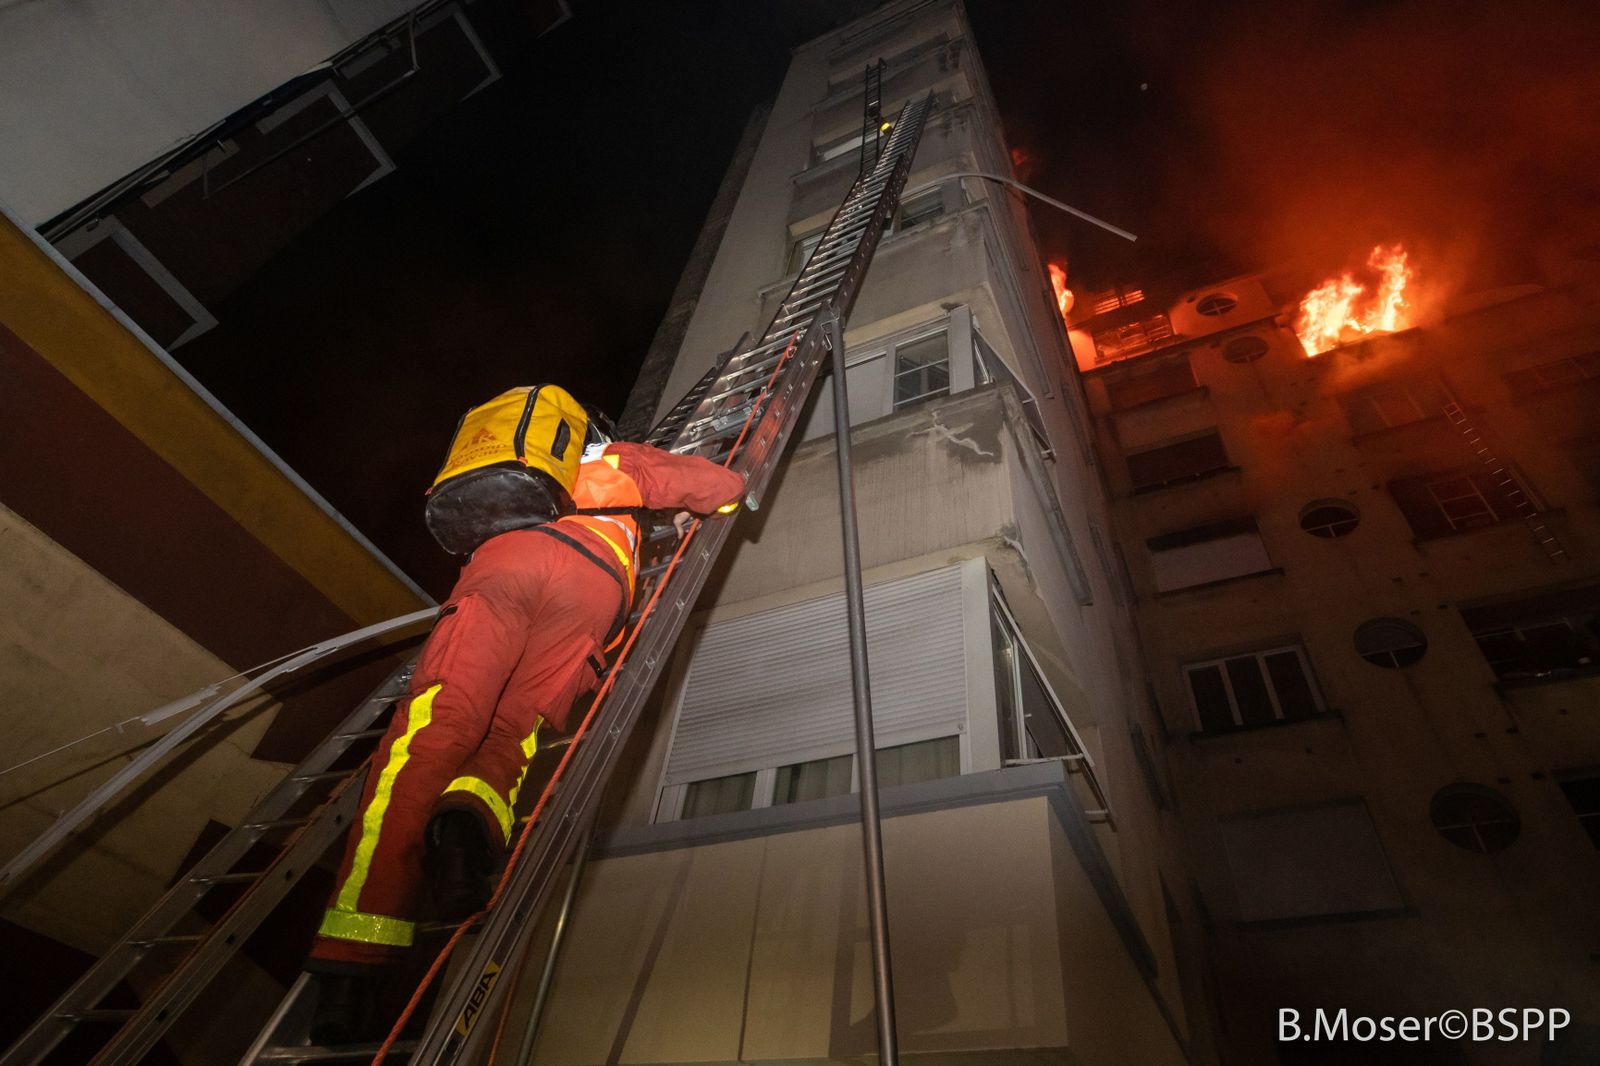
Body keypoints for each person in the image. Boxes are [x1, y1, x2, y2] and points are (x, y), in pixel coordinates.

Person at [304, 407, 744, 1042]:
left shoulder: (535, 482)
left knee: (430, 738)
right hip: (589, 598)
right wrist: (718, 506)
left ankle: (348, 972)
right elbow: (721, 488)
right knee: (514, 738)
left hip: (507, 571)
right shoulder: (620, 462)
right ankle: (463, 836)